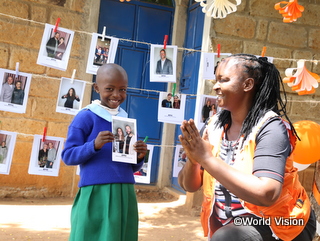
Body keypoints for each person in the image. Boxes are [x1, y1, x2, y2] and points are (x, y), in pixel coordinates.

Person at [178, 54, 316, 241]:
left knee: (227, 238)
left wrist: (207, 159)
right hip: (232, 223)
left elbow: (267, 194)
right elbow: (189, 185)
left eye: (224, 80)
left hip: (282, 222)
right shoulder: (213, 126)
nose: (216, 86)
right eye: (216, 80)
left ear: (248, 85)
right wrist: (194, 161)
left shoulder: (271, 128)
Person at [61, 63, 147, 241]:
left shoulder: (125, 120)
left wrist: (139, 156)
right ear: (96, 88)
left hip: (124, 192)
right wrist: (94, 145)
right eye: (110, 89)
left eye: (122, 89)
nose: (117, 95)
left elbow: (131, 166)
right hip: (95, 192)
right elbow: (68, 156)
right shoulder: (86, 116)